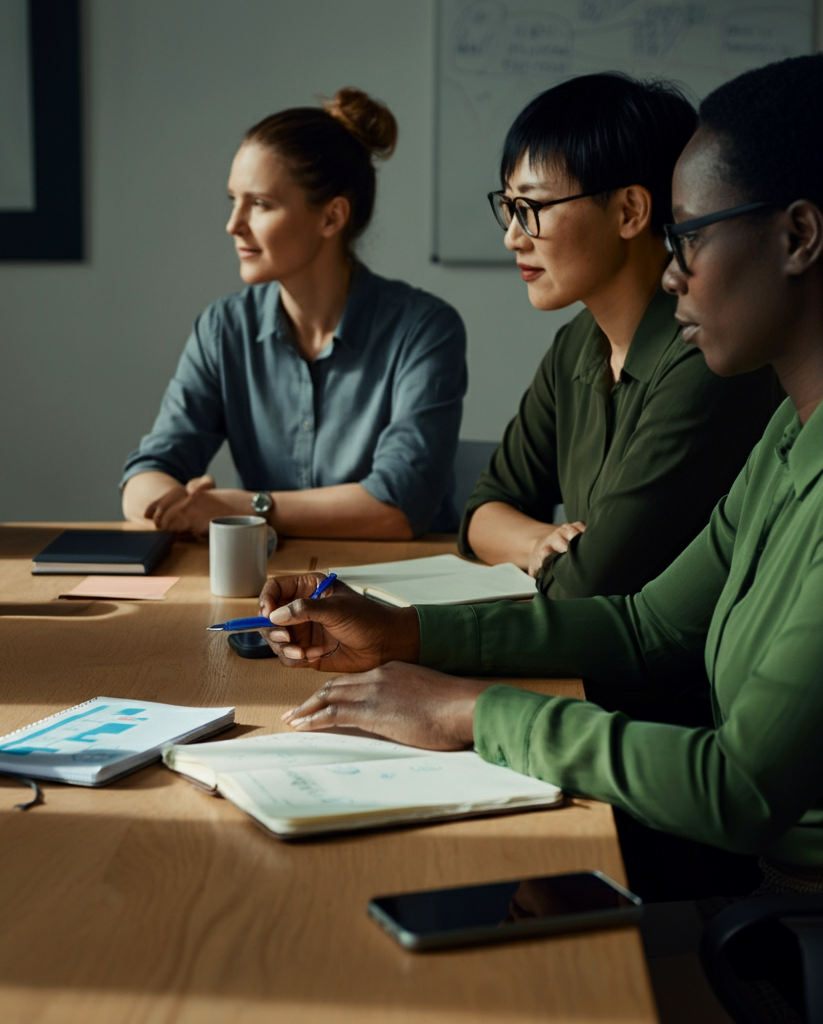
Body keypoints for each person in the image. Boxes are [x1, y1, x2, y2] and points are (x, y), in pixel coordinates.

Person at [259, 55, 823, 901]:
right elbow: (642, 626)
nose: (673, 271)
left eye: (693, 237)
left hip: (769, 913)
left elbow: (735, 789)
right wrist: (406, 637)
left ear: (799, 236)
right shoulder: (791, 430)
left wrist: (464, 710)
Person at [460, 73, 779, 598]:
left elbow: (589, 585)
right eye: (509, 207)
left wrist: (544, 556)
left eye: (532, 209)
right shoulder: (576, 344)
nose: (511, 236)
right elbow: (481, 512)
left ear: (630, 211)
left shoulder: (706, 357)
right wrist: (541, 542)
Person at [121, 89, 466, 540]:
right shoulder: (223, 328)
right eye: (233, 200)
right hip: (270, 587)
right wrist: (174, 505)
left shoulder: (425, 329)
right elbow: (146, 473)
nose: (233, 224)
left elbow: (397, 507)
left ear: (331, 217)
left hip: (400, 591)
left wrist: (242, 508)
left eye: (260, 204)